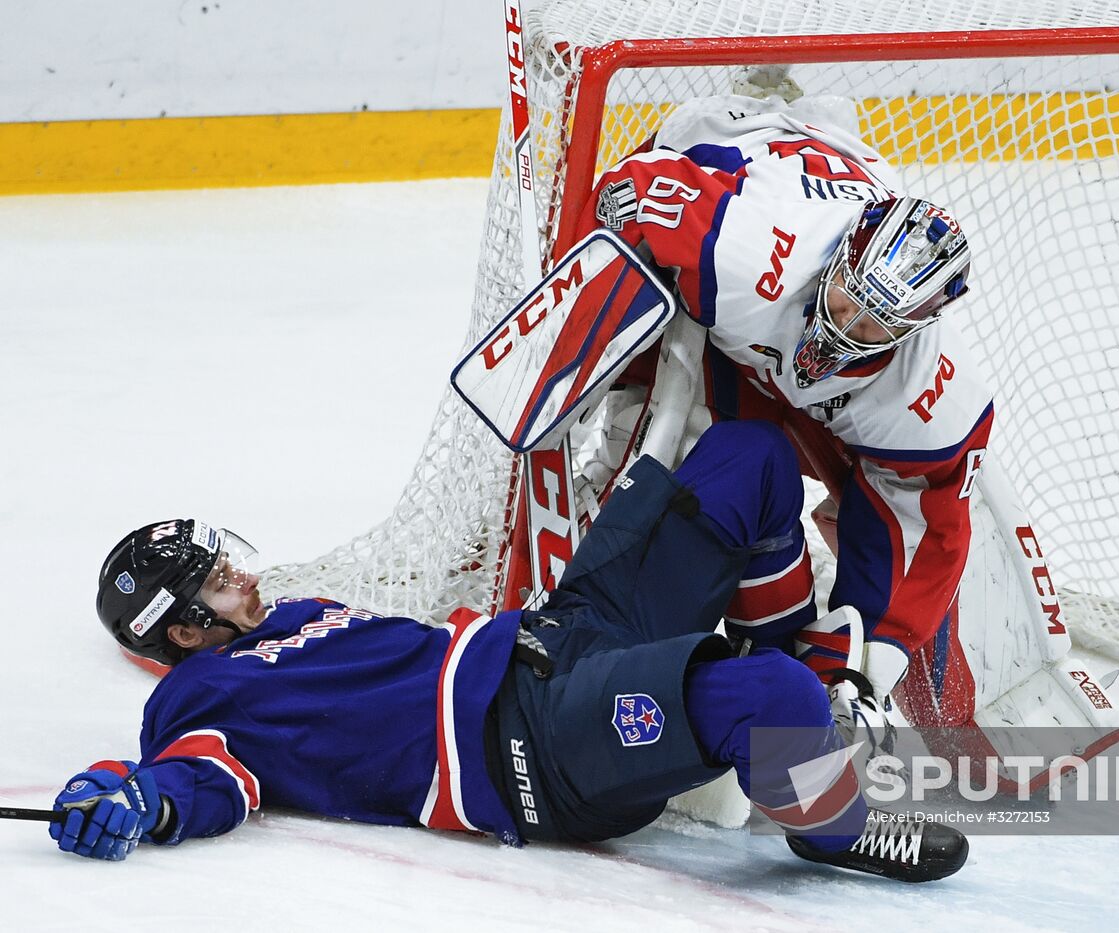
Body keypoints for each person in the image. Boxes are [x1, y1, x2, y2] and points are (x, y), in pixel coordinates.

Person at [51, 421, 967, 883]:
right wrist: (132, 796)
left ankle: (799, 716)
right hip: (535, 750)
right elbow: (195, 778)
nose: (243, 576)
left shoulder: (295, 615)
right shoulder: (203, 694)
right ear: (181, 632)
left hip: (560, 635)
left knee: (749, 458)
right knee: (761, 697)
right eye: (216, 582)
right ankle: (833, 827)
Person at [576, 82, 995, 733]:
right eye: (848, 300)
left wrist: (865, 670)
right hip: (731, 148)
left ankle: (782, 671)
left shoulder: (931, 393)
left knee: (812, 488)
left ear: (914, 329)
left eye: (875, 326)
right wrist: (583, 373)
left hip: (833, 175)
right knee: (681, 450)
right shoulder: (735, 246)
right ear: (839, 259)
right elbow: (623, 196)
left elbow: (920, 528)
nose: (847, 326)